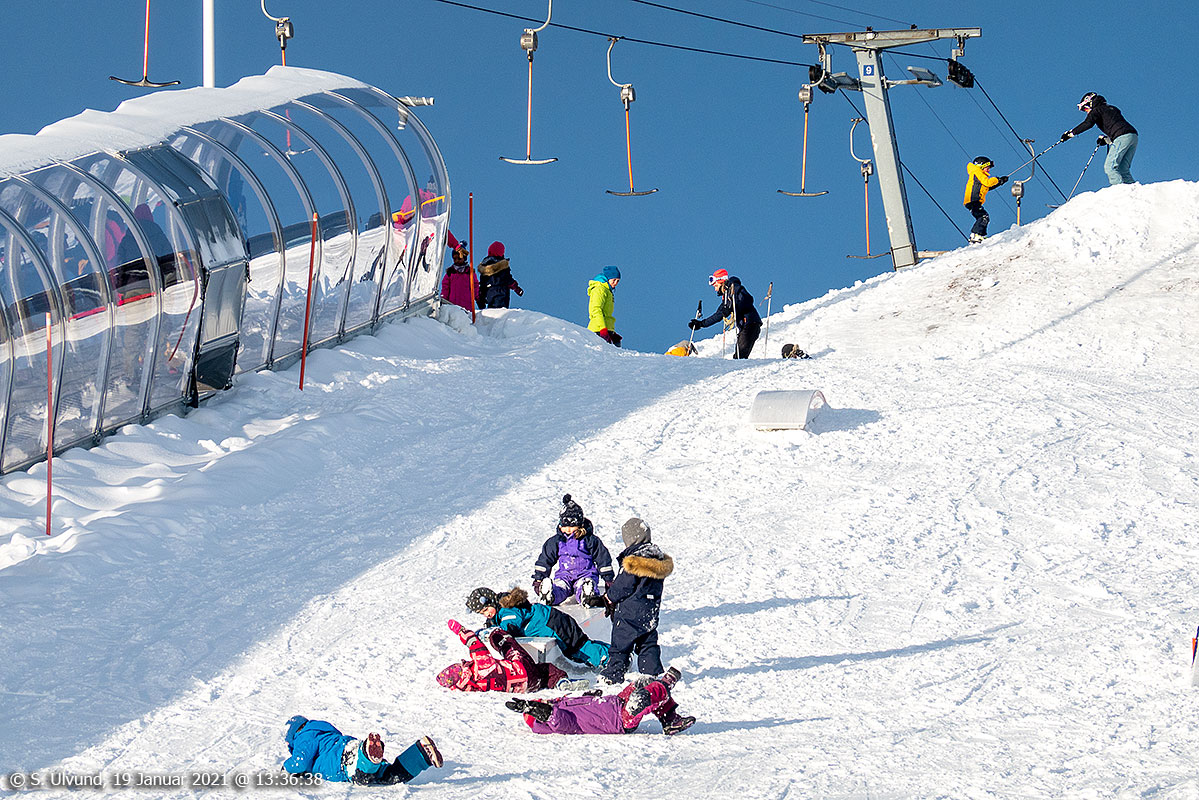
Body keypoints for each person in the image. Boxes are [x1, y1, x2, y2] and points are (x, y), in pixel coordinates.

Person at [590, 518, 673, 685]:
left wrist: (608, 597)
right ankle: (650, 672)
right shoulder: (656, 559)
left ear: (631, 539)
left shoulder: (633, 561)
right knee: (647, 641)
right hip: (650, 610)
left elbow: (623, 586)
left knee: (620, 644)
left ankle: (613, 674)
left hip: (629, 612)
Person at [504, 667, 695, 735]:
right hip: (620, 720)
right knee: (642, 697)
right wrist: (530, 708)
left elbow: (582, 708)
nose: (544, 702)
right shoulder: (555, 722)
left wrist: (590, 696)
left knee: (643, 683)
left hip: (616, 702)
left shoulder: (560, 704)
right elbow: (556, 718)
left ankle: (670, 720)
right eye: (540, 704)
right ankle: (665, 684)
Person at [466, 586, 610, 670]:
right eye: (482, 613)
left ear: (492, 602)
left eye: (486, 610)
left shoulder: (507, 610)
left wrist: (495, 631)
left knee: (578, 648)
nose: (487, 615)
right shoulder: (501, 611)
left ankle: (610, 658)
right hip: (553, 621)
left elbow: (510, 627)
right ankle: (612, 653)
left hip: (554, 623)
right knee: (576, 649)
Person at [281, 715, 442, 785]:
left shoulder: (304, 737)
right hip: (350, 747)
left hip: (342, 761)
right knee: (388, 776)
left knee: (361, 776)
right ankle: (422, 753)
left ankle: (368, 756)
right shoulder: (320, 730)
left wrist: (285, 769)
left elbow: (299, 762)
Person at [437, 619, 568, 692]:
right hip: (520, 666)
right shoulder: (480, 667)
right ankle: (560, 679)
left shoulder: (472, 688)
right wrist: (461, 631)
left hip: (525, 686)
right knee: (506, 645)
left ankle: (557, 682)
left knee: (542, 673)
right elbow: (475, 644)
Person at [532, 494, 615, 606]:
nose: (568, 530)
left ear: (580, 524)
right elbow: (545, 559)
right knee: (560, 586)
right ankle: (550, 596)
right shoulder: (556, 541)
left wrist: (608, 578)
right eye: (564, 526)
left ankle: (587, 595)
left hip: (585, 574)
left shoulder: (589, 540)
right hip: (564, 575)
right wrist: (539, 578)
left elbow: (602, 558)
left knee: (583, 584)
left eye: (571, 526)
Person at [1060, 92, 1138, 185]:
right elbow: (1115, 125)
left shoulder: (1096, 111)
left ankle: (1121, 192)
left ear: (1090, 102)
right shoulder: (1111, 108)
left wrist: (1071, 133)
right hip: (1132, 136)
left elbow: (1087, 123)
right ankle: (1134, 191)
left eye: (1085, 108)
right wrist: (1107, 140)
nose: (1086, 111)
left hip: (1122, 136)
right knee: (1123, 169)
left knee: (1109, 167)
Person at [687, 269, 762, 358]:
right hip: (745, 327)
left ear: (721, 280)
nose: (715, 288)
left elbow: (748, 300)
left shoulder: (735, 288)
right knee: (739, 355)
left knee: (740, 356)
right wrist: (701, 324)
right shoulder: (726, 296)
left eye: (715, 285)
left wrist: (736, 305)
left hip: (750, 324)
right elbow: (719, 314)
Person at [962, 156, 1008, 244]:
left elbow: (987, 187)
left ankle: (981, 235)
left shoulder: (978, 174)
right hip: (973, 200)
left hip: (974, 201)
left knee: (984, 216)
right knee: (983, 216)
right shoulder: (977, 172)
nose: (989, 170)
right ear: (981, 166)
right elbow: (987, 183)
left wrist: (1000, 182)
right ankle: (975, 234)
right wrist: (997, 179)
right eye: (987, 168)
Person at [476, 241, 523, 309]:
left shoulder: (485, 266)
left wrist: (481, 298)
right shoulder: (502, 265)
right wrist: (516, 288)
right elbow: (508, 279)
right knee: (500, 310)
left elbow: (483, 284)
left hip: (490, 292)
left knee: (492, 309)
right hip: (501, 291)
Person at [587, 265, 622, 347]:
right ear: (608, 279)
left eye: (618, 281)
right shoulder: (599, 289)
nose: (615, 283)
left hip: (606, 331)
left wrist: (612, 332)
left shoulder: (608, 291)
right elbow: (596, 309)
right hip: (598, 330)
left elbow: (606, 314)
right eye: (614, 280)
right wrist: (603, 329)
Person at [440, 233, 474, 312]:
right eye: (454, 258)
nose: (457, 261)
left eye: (459, 258)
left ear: (464, 258)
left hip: (466, 306)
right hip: (453, 305)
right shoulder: (450, 272)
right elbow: (445, 287)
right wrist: (444, 298)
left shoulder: (469, 272)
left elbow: (474, 286)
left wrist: (478, 298)